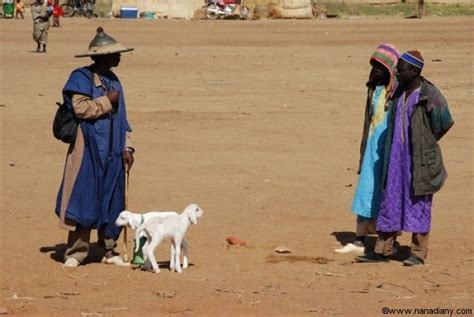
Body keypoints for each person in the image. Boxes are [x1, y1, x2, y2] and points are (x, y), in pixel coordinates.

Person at [356, 51, 454, 266]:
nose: (397, 72)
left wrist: (425, 139)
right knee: (390, 201)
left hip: (419, 160)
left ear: (415, 71)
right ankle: (383, 250)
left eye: (401, 69)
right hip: (395, 159)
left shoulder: (429, 94)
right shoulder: (398, 92)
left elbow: (444, 122)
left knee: (419, 204)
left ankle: (418, 253)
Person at [55, 27, 135, 267]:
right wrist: (105, 101)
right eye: (114, 54)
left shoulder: (114, 80)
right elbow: (80, 108)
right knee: (84, 197)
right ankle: (77, 252)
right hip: (88, 151)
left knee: (112, 200)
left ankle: (108, 250)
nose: (119, 57)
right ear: (101, 57)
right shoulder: (81, 77)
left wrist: (128, 147)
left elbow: (123, 120)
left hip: (112, 153)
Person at [335, 43, 400, 255]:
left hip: (390, 153)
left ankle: (389, 239)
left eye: (380, 68)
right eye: (373, 67)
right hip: (372, 151)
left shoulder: (397, 93)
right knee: (366, 192)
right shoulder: (374, 90)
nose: (375, 72)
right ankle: (359, 239)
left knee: (388, 194)